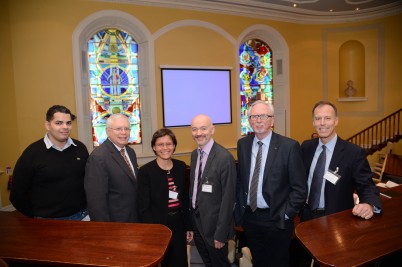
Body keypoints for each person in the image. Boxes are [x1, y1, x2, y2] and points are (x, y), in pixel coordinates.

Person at [235, 100, 307, 267]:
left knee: (278, 262)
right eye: (253, 116)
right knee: (259, 261)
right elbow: (241, 180)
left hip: (276, 218)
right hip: (250, 217)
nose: (258, 120)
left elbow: (300, 188)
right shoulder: (243, 144)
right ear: (249, 120)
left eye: (263, 116)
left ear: (272, 121)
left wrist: (286, 214)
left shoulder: (289, 146)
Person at [300, 100, 382, 222]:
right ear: (313, 122)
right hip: (305, 217)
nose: (322, 123)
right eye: (318, 119)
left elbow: (366, 185)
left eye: (327, 118)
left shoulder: (353, 152)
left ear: (336, 121)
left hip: (337, 219)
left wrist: (369, 204)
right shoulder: (306, 147)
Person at [10, 105, 89, 220]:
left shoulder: (80, 148)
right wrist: (36, 215)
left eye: (68, 123)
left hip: (82, 216)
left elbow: (88, 181)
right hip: (48, 220)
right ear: (47, 125)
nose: (65, 127)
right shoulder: (32, 153)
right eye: (59, 123)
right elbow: (17, 194)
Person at [138, 128, 191, 267]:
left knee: (179, 262)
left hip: (178, 223)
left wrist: (189, 226)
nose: (165, 148)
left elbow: (185, 199)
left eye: (169, 144)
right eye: (160, 144)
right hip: (158, 225)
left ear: (174, 145)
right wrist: (153, 231)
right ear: (154, 147)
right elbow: (143, 207)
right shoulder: (146, 171)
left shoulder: (180, 167)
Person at [189, 114, 236, 267]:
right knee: (207, 263)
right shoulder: (195, 155)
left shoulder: (224, 158)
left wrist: (221, 234)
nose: (198, 133)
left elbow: (228, 199)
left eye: (203, 128)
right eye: (194, 129)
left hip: (215, 228)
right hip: (198, 224)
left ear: (212, 130)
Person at [84, 113, 139, 222]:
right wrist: (105, 230)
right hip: (115, 223)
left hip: (134, 217)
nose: (124, 132)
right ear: (108, 131)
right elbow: (96, 201)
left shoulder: (130, 152)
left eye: (127, 129)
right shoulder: (98, 157)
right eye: (118, 129)